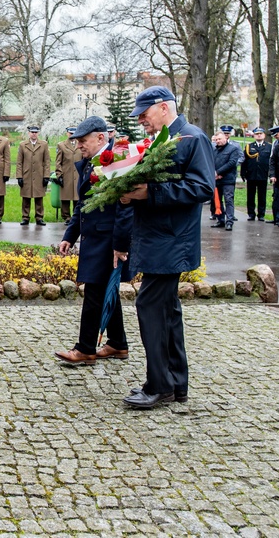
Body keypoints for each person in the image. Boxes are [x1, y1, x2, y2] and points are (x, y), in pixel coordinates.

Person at [121, 86, 214, 409]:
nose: (141, 122)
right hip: (159, 237)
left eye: (145, 115)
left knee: (151, 308)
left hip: (171, 240)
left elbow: (203, 186)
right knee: (168, 312)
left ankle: (159, 385)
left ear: (163, 108)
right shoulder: (164, 140)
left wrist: (149, 193)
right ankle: (176, 384)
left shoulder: (191, 138)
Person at [55, 116, 134, 365]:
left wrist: (121, 244)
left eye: (83, 140)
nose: (79, 145)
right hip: (95, 236)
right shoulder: (90, 163)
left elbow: (126, 207)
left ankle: (85, 349)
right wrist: (70, 235)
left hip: (108, 239)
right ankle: (117, 344)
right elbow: (83, 204)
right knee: (103, 290)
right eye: (77, 141)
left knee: (94, 292)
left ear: (101, 137)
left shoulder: (118, 161)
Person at [16, 125, 51, 226]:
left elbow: (47, 161)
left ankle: (39, 217)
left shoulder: (44, 144)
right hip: (26, 175)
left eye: (36, 132)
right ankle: (25, 217)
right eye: (32, 132)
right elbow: (19, 162)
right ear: (29, 133)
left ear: (38, 133)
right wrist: (19, 176)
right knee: (26, 198)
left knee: (39, 198)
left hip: (39, 175)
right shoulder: (23, 145)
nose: (34, 134)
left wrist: (46, 176)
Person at [211, 131, 239, 231]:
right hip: (216, 180)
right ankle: (220, 219)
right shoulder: (214, 151)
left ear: (225, 138)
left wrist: (218, 172)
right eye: (216, 139)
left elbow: (231, 163)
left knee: (228, 200)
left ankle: (229, 221)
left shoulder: (233, 149)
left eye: (220, 139)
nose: (218, 141)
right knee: (217, 201)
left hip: (228, 180)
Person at [242, 128, 270, 221]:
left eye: (260, 133)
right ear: (253, 135)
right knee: (250, 195)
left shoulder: (269, 147)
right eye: (257, 134)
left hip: (263, 174)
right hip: (251, 175)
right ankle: (251, 214)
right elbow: (244, 161)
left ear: (264, 135)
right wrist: (243, 173)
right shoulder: (248, 147)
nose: (259, 135)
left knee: (262, 196)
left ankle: (261, 214)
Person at [55, 127, 81, 225]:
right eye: (70, 133)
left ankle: (75, 216)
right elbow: (58, 162)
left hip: (78, 174)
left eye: (74, 133)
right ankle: (66, 217)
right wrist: (59, 174)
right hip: (66, 174)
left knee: (76, 197)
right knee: (65, 197)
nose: (72, 135)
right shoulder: (61, 145)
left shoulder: (80, 144)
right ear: (67, 133)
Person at [267, 125, 279, 224]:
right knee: (276, 196)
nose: (275, 136)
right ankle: (276, 217)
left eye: (276, 134)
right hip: (277, 174)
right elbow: (272, 159)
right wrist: (272, 174)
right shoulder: (275, 143)